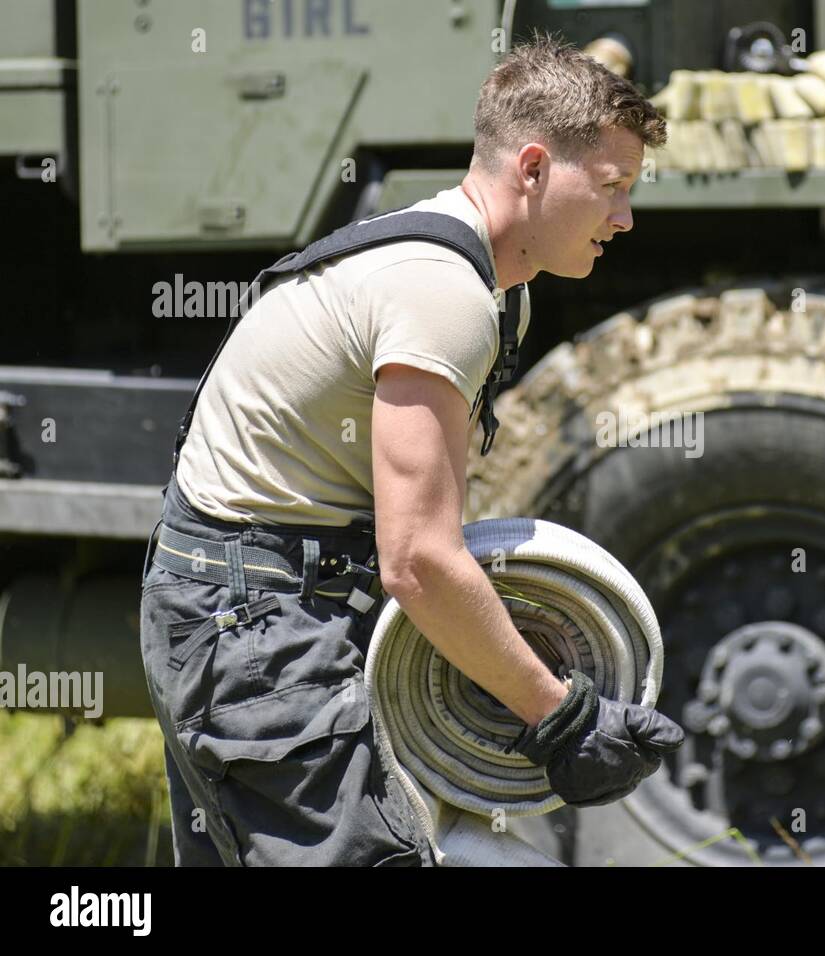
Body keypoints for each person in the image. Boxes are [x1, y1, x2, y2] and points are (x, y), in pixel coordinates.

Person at [139, 36, 683, 867]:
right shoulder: (444, 294)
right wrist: (562, 717)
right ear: (532, 168)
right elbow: (420, 561)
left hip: (251, 602)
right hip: (251, 622)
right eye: (611, 187)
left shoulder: (498, 287)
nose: (625, 219)